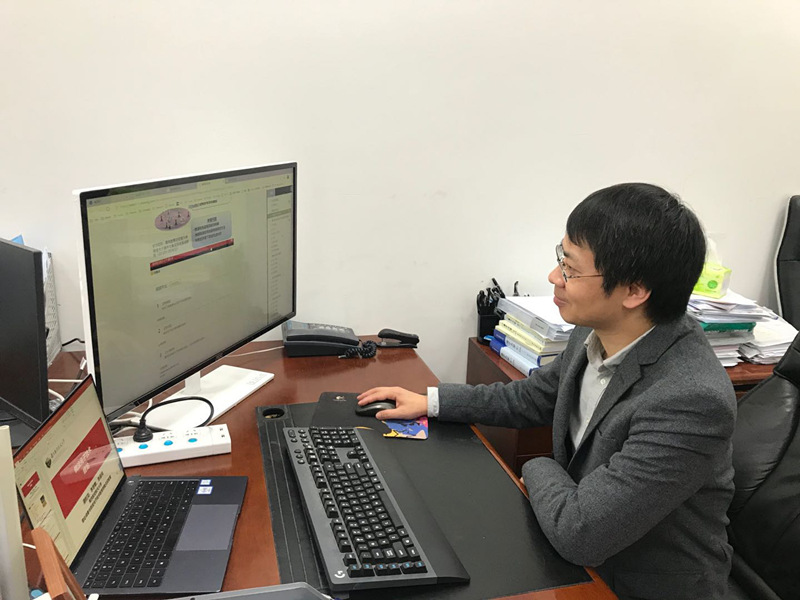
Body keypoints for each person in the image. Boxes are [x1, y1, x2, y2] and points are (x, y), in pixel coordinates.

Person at [358, 183, 736, 600]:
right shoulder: (595, 330)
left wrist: (538, 465)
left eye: (570, 269)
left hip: (633, 583)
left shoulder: (690, 401)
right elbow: (532, 398)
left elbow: (582, 533)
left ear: (634, 291)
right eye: (561, 259)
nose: (555, 277)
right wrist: (431, 401)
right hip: (573, 549)